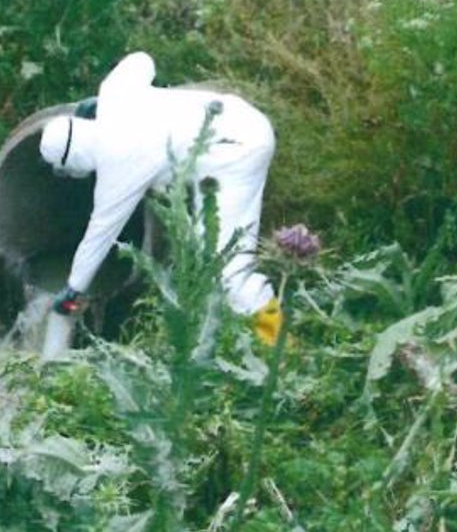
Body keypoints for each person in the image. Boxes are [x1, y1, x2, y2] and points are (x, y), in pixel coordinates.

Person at [38, 51, 280, 352]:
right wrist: (103, 104)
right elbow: (142, 60)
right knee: (209, 256)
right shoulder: (114, 92)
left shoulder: (117, 166)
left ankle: (280, 347)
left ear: (75, 159)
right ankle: (246, 343)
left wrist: (73, 289)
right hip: (239, 116)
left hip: (237, 152)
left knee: (228, 271)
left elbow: (99, 235)